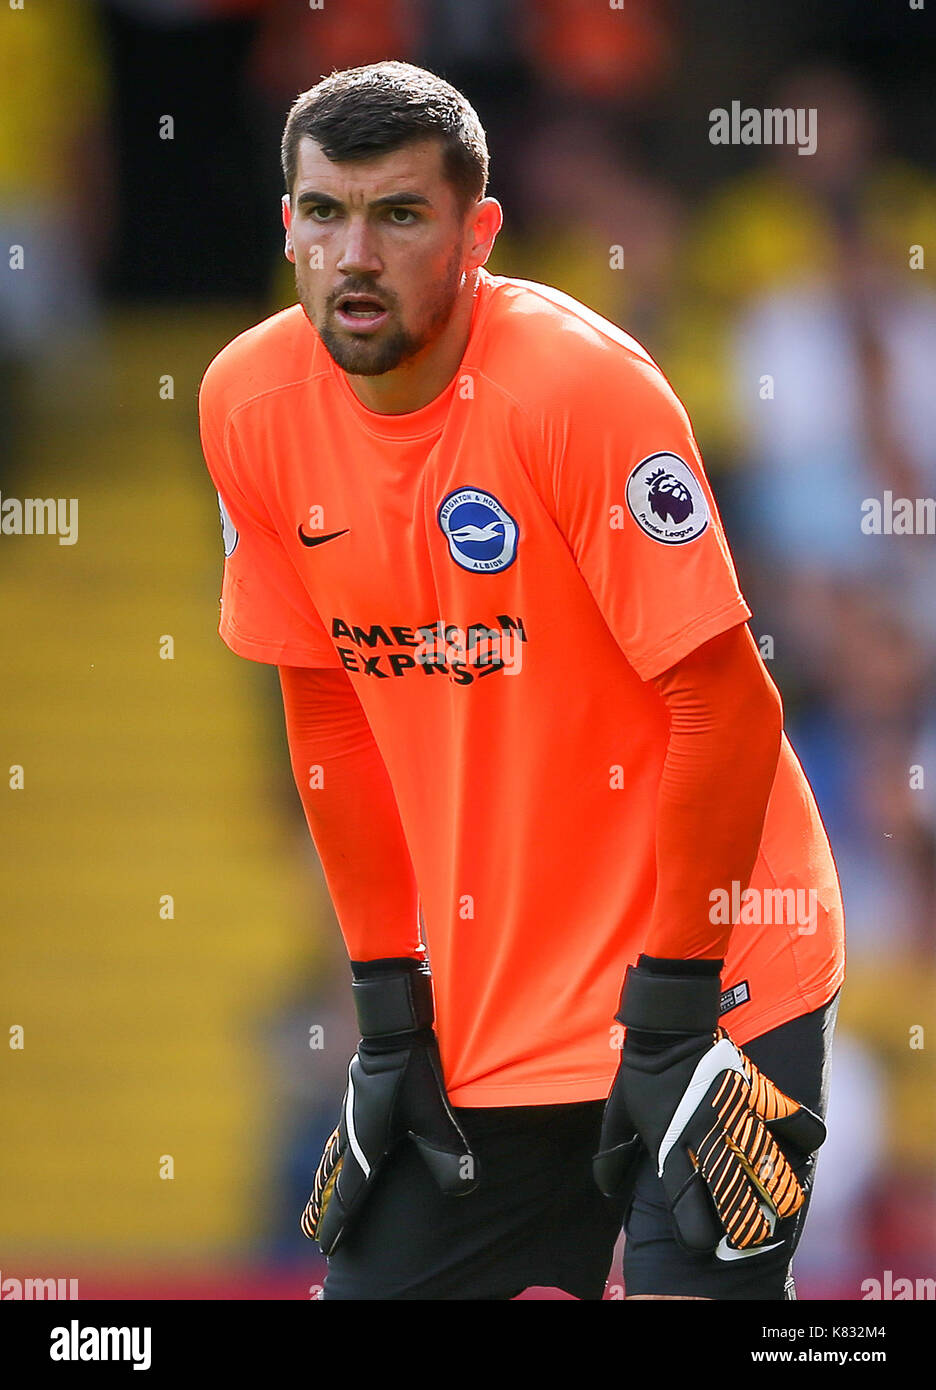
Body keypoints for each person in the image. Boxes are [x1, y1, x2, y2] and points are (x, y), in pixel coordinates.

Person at [197, 61, 844, 1301]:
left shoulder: (577, 387)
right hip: (483, 1016)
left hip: (716, 978)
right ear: (288, 223)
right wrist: (389, 1015)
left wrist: (670, 1012)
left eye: (400, 214)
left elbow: (731, 703)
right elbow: (326, 706)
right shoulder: (247, 404)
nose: (355, 254)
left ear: (478, 232)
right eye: (323, 212)